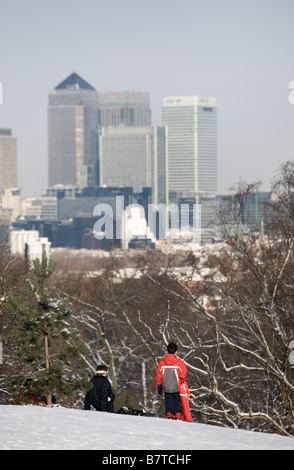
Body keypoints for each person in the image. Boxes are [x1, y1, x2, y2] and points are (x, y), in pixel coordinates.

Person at [156, 341, 187, 419]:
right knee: (176, 400)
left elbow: (159, 374)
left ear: (167, 351)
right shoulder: (179, 363)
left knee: (168, 400)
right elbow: (183, 375)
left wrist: (159, 384)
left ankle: (169, 414)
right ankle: (177, 414)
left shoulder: (162, 361)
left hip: (166, 385)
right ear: (176, 352)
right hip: (176, 385)